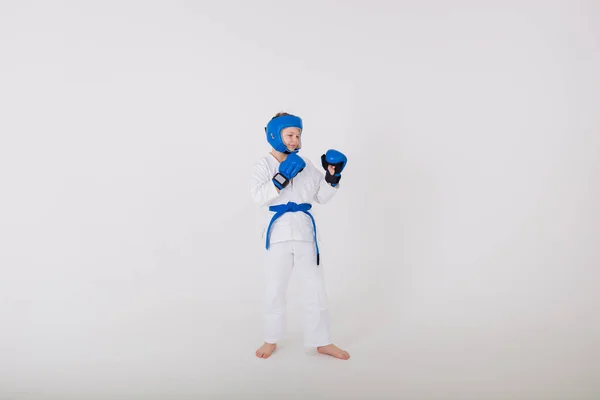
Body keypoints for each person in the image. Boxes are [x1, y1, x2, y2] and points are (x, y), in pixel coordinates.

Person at [250, 111, 350, 360]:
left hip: (305, 234)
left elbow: (321, 197)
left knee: (315, 288)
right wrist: (281, 177)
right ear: (275, 135)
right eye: (290, 134)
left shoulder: (305, 164)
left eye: (298, 134)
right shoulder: (263, 165)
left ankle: (322, 341)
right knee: (275, 288)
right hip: (278, 235)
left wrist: (332, 176)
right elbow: (258, 197)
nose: (295, 139)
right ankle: (271, 339)